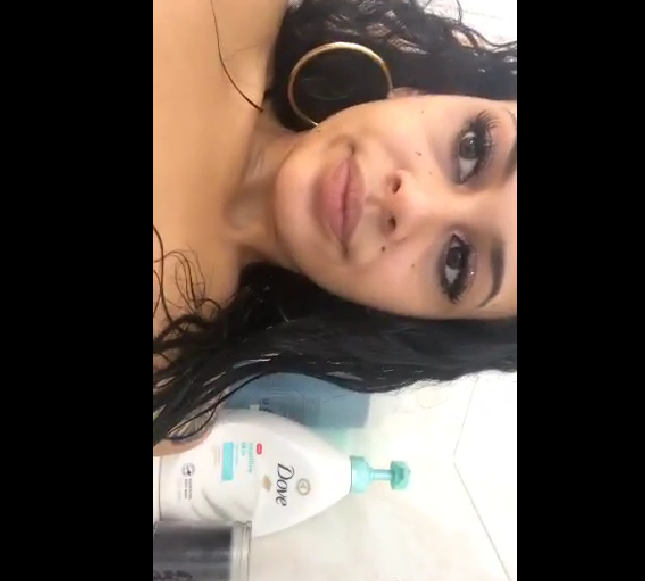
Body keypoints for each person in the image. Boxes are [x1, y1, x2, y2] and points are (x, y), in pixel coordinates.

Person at [153, 0, 517, 451]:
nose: (412, 204)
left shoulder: (171, 391)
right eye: (473, 147)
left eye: (455, 263)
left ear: (411, 319)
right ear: (424, 94)